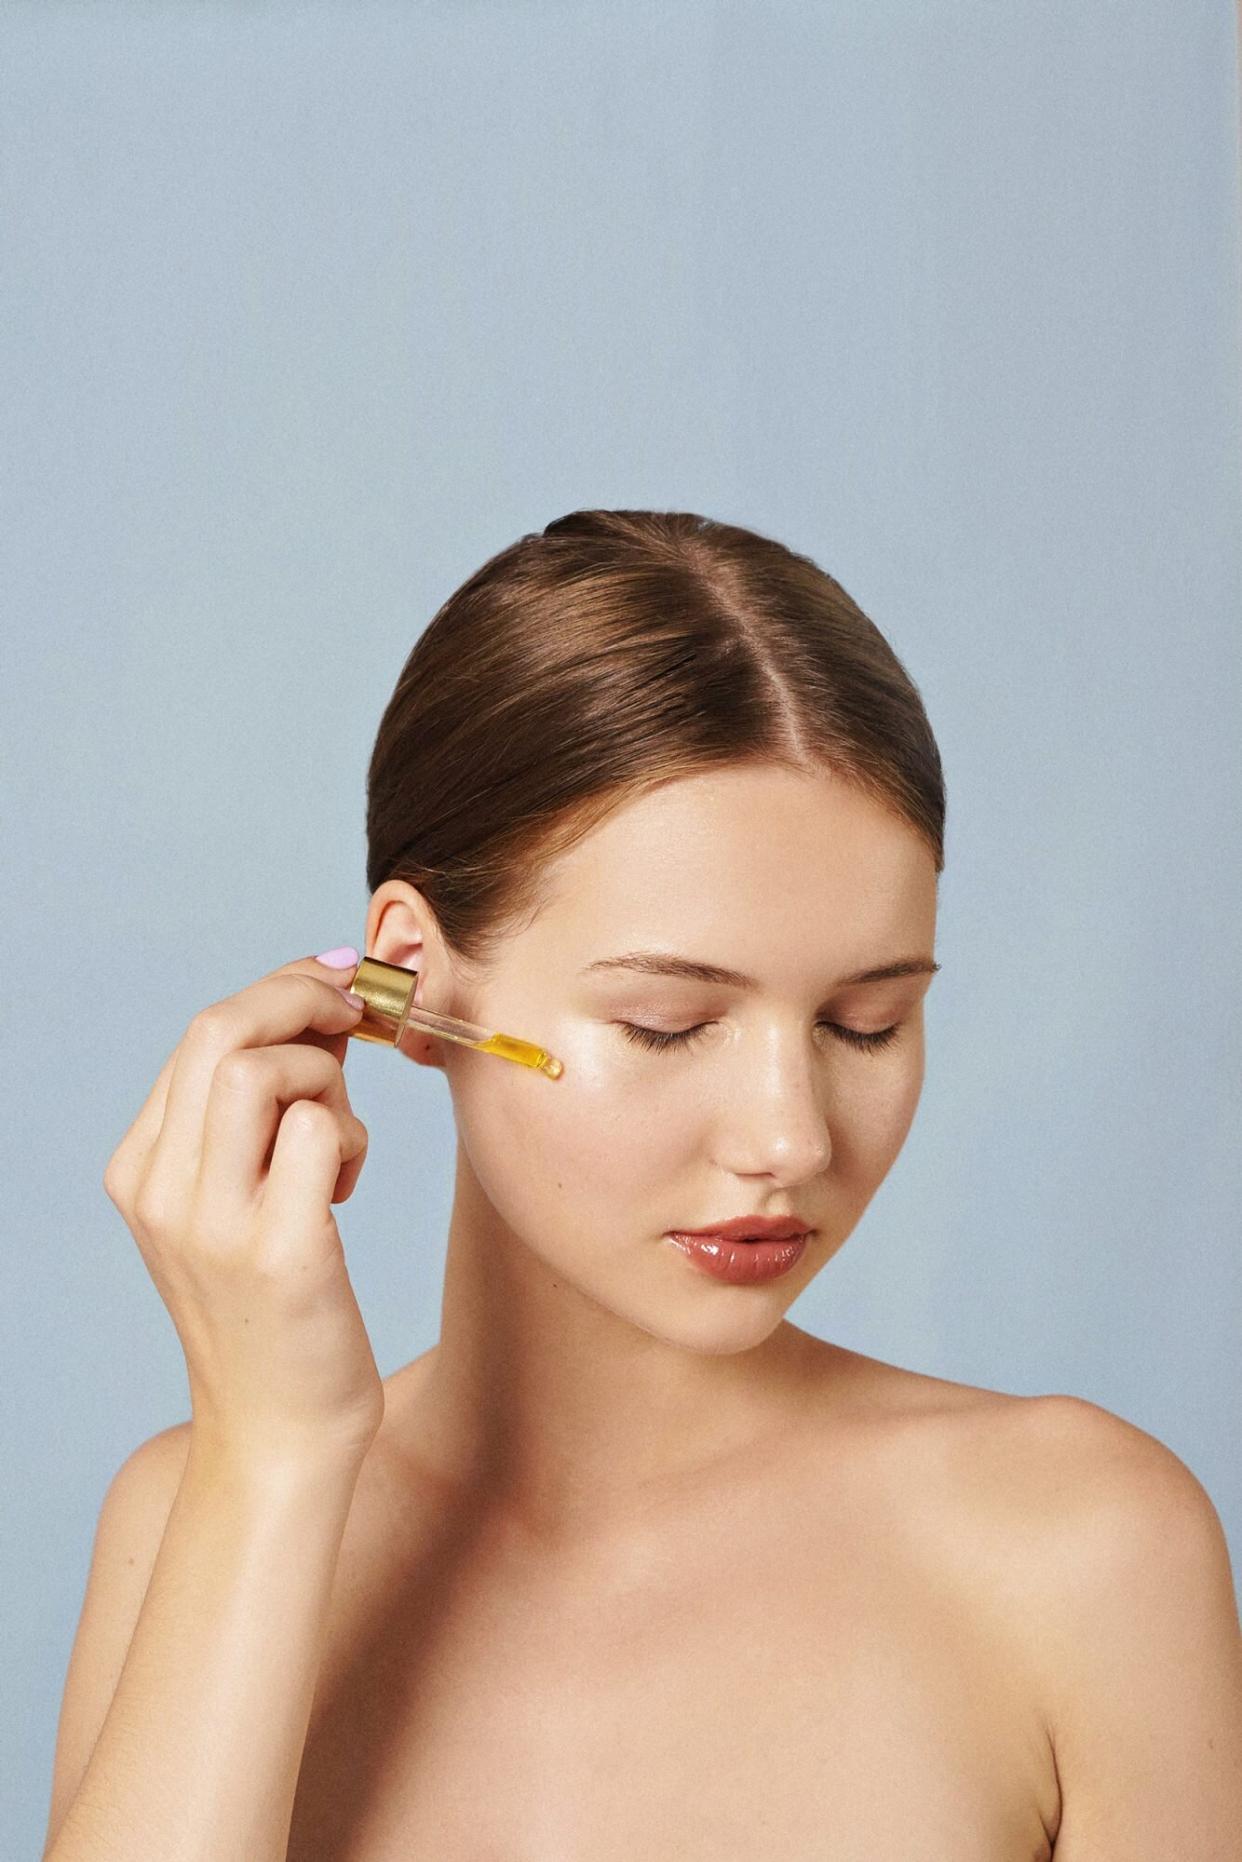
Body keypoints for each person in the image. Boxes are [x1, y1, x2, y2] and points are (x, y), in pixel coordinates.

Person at [43, 510, 1242, 1860]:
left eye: (864, 1022)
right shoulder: (193, 1515)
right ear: (410, 982)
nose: (788, 1137)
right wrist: (269, 1466)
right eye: (670, 1022)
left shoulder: (1079, 1551)